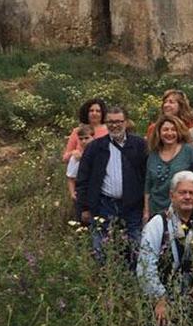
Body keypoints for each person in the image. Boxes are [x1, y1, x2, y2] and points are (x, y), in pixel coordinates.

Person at [137, 171, 193, 326]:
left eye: (192, 193)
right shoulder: (158, 223)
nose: (187, 197)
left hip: (190, 292)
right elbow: (145, 266)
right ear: (172, 195)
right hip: (162, 292)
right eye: (182, 192)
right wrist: (159, 299)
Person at [76, 106, 148, 265]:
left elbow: (146, 177)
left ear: (126, 122)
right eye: (110, 122)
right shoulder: (95, 147)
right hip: (103, 204)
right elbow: (83, 179)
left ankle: (134, 281)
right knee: (100, 248)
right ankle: (104, 279)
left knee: (135, 245)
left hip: (132, 206)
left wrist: (145, 206)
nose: (115, 125)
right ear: (106, 123)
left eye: (118, 121)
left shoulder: (139, 145)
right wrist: (84, 207)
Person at [144, 115, 193, 222]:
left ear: (179, 132)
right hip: (156, 211)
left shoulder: (190, 152)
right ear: (159, 132)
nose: (169, 133)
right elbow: (148, 185)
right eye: (165, 130)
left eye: (173, 130)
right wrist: (146, 211)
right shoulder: (153, 154)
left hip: (182, 210)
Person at [62, 98, 109, 162]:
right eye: (91, 111)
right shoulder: (77, 131)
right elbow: (65, 158)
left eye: (98, 111)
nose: (94, 113)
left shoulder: (109, 131)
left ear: (103, 113)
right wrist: (73, 153)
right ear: (86, 112)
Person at [66, 124, 95, 218]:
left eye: (87, 138)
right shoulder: (75, 157)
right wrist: (72, 194)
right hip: (82, 194)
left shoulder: (100, 153)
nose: (84, 141)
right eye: (81, 139)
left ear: (93, 137)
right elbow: (71, 177)